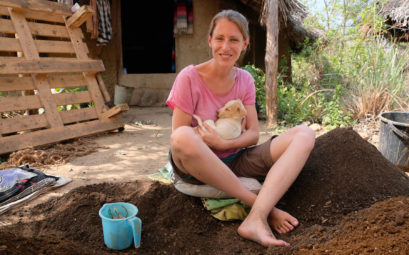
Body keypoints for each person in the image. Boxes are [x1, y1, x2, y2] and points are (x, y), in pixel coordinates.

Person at [166, 9, 315, 247]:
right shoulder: (189, 78)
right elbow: (179, 138)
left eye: (234, 40)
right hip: (196, 166)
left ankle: (254, 219)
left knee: (305, 134)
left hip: (235, 158)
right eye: (220, 39)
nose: (226, 46)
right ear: (210, 41)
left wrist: (224, 144)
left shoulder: (245, 79)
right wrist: (208, 142)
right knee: (182, 136)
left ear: (245, 43)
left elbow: (253, 134)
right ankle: (265, 208)